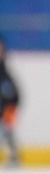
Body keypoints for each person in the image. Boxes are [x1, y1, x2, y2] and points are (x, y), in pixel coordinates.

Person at [0, 34, 20, 167]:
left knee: (7, 130)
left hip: (7, 106)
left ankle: (13, 156)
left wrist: (10, 107)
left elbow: (14, 94)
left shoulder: (4, 71)